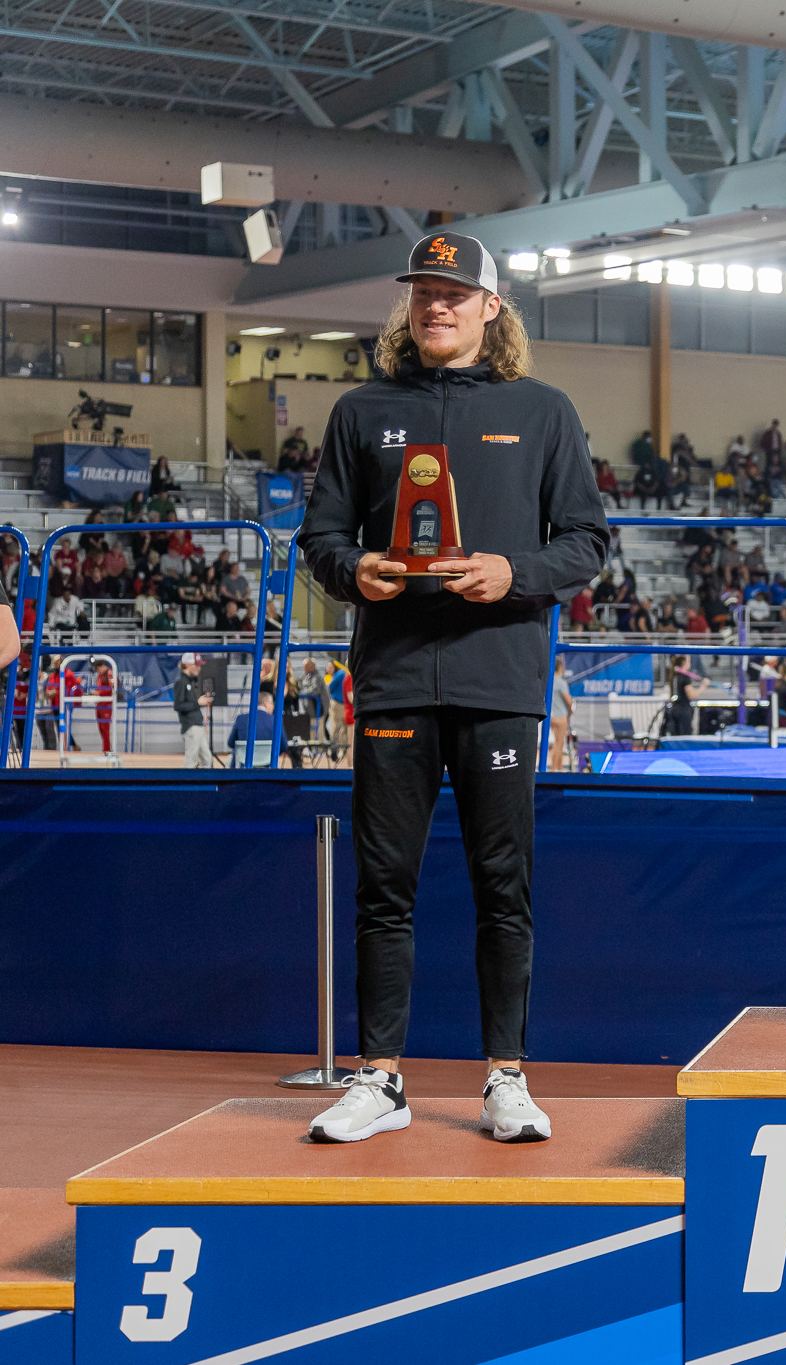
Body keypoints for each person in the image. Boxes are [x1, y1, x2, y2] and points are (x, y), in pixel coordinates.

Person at [296, 232, 608, 1145]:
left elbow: (586, 539)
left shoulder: (543, 411)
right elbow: (321, 539)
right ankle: (379, 1079)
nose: (437, 305)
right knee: (383, 886)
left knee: (501, 884)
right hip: (394, 679)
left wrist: (513, 572)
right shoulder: (362, 411)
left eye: (454, 292)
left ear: (490, 308)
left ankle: (505, 1076)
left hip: (498, 679)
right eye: (425, 291)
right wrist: (361, 572)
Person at [228, 681, 285, 761]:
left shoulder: (241, 719)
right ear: (266, 703)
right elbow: (283, 745)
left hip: (244, 763)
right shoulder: (275, 721)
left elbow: (231, 743)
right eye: (272, 703)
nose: (273, 706)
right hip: (268, 764)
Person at [173, 652, 212, 767]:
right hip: (192, 726)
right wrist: (198, 703)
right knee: (191, 760)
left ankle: (201, 783)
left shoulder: (189, 681)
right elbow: (178, 706)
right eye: (197, 665)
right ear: (188, 665)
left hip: (197, 725)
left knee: (206, 760)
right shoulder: (181, 682)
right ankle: (186, 784)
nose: (199, 668)